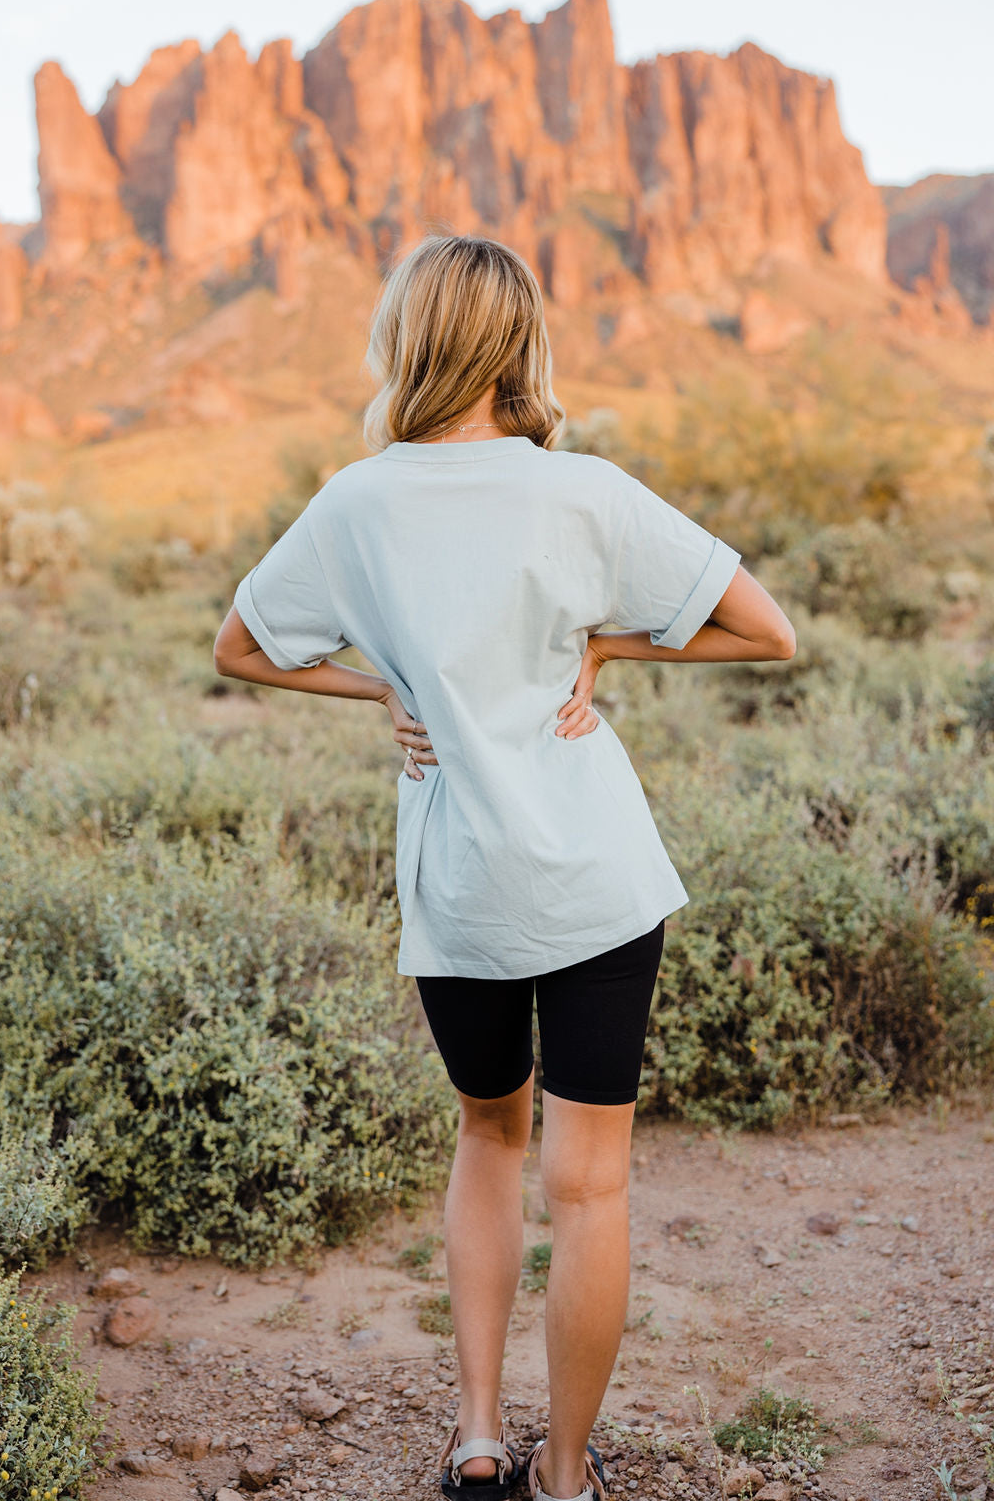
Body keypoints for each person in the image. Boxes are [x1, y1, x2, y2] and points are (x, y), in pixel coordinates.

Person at [213, 233, 796, 1501]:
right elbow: (767, 631)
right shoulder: (581, 491)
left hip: (461, 883)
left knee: (487, 1135)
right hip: (596, 877)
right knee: (590, 1188)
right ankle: (565, 1474)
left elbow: (240, 650)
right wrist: (614, 648)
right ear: (516, 344)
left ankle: (477, 1438)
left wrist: (385, 690)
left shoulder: (355, 502)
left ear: (407, 339)